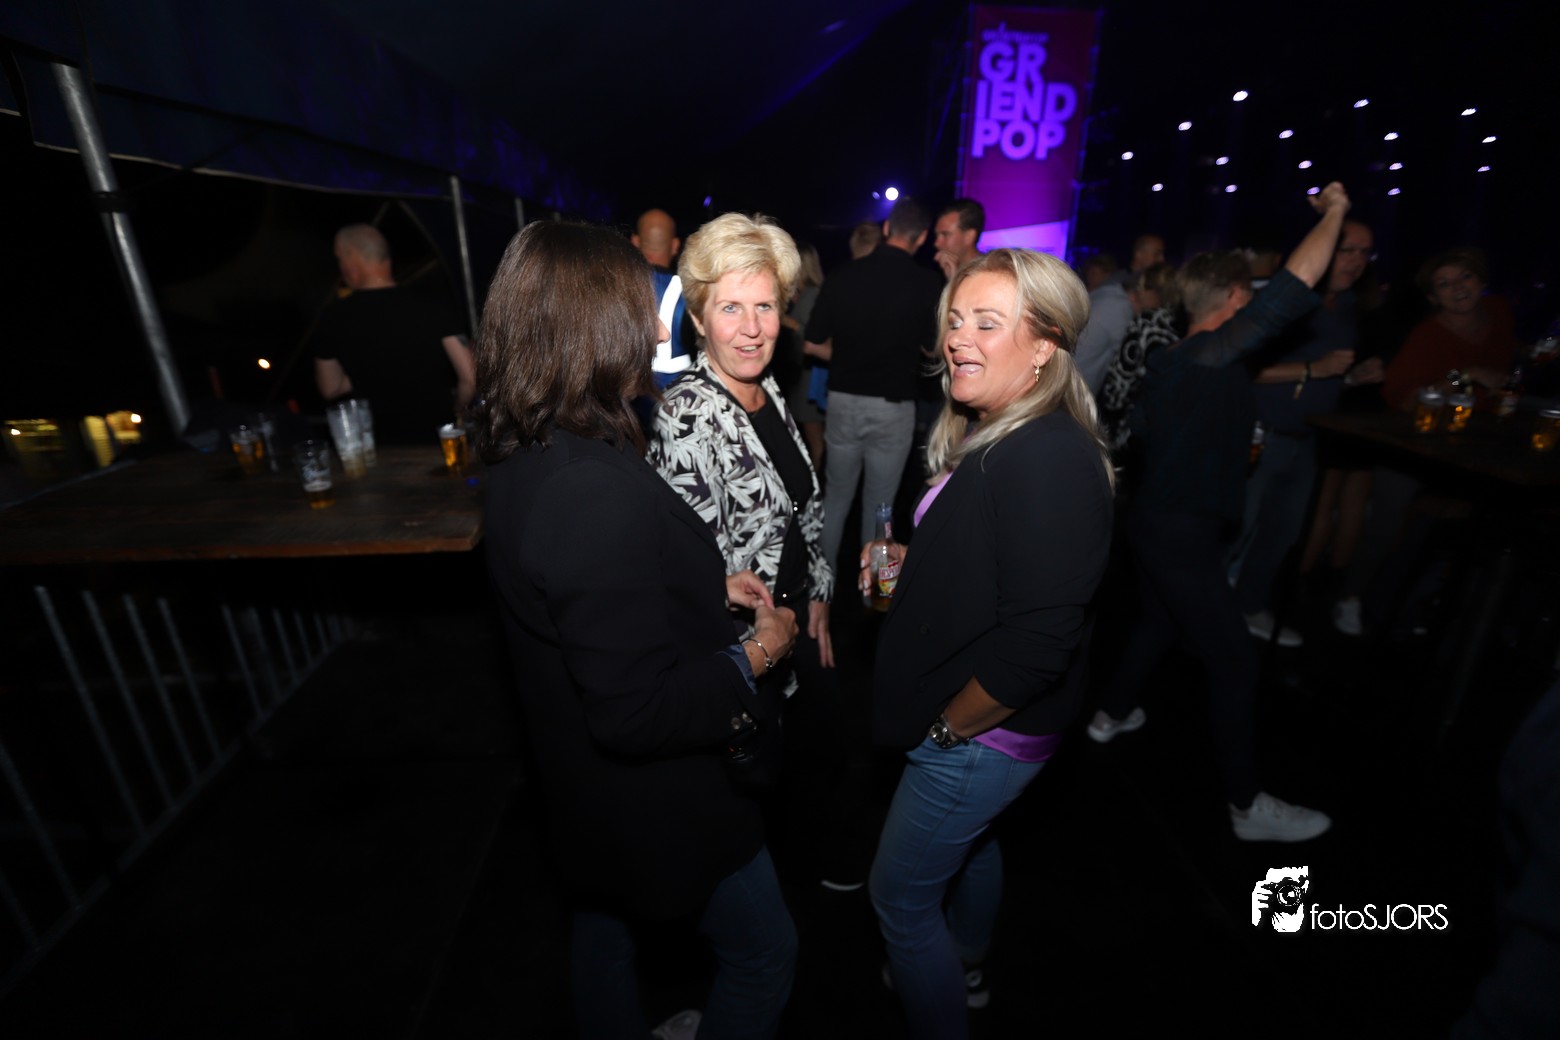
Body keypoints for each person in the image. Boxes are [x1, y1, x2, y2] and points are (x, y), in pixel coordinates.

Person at [478, 220, 799, 1040]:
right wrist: (758, 653)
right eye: (639, 307)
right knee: (765, 954)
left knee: (603, 932)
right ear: (591, 325)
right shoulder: (587, 487)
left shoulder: (530, 443)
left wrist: (698, 581)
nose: (658, 328)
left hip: (579, 786)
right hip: (651, 798)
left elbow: (579, 593)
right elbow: (636, 711)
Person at [864, 248, 1114, 1039]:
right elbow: (995, 563)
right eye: (956, 320)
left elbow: (1039, 644)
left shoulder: (1048, 455)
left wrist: (948, 730)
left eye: (986, 323)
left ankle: (940, 979)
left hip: (982, 733)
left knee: (900, 902)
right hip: (981, 729)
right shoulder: (996, 426)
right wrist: (913, 561)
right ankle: (965, 960)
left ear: (1043, 345)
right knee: (971, 848)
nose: (958, 338)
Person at [1088, 184, 1355, 844]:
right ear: (1236, 296)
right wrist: (1336, 212)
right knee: (1235, 663)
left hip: (1155, 522)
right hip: (1180, 531)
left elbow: (1148, 434)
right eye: (1250, 296)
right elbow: (1298, 282)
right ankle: (1245, 806)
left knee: (1157, 622)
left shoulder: (1172, 360)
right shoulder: (1210, 355)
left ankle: (1109, 716)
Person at [649, 213, 863, 887]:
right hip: (750, 641)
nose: (751, 328)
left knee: (823, 752)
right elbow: (691, 575)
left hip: (799, 614)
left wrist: (820, 591)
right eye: (730, 308)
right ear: (698, 318)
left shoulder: (765, 388)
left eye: (765, 306)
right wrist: (768, 636)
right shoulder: (686, 415)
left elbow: (803, 510)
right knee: (757, 790)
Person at [1229, 219, 1382, 647]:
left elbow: (1326, 371)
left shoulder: (1347, 305)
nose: (1356, 261)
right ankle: (1199, 620)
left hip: (1310, 440)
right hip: (1260, 435)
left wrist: (1350, 378)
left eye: (1364, 252)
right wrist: (1315, 369)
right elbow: (1240, 367)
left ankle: (1248, 608)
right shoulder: (1288, 301)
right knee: (1235, 531)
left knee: (1282, 534)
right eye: (1347, 250)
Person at [804, 197, 943, 568]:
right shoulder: (927, 283)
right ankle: (871, 592)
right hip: (893, 406)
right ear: (922, 237)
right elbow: (933, 350)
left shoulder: (843, 275)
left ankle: (823, 586)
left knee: (835, 499)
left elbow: (812, 340)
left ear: (886, 228)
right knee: (880, 507)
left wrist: (849, 354)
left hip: (843, 401)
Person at [312, 224, 474, 443]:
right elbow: (470, 377)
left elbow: (330, 388)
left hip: (378, 446)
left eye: (340, 259)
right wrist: (457, 412)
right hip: (438, 441)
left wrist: (368, 369)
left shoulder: (333, 316)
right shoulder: (433, 304)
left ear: (351, 259)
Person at [1095, 262, 1180, 455]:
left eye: (1140, 288)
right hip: (1160, 426)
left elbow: (1119, 383)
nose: (1136, 294)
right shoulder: (1178, 325)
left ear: (1152, 292)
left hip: (1130, 428)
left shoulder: (1146, 323)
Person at [778, 241, 827, 469]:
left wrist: (788, 321)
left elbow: (816, 337)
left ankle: (818, 480)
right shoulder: (804, 293)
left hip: (811, 373)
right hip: (801, 370)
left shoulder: (814, 294)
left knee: (813, 433)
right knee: (808, 432)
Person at [932, 198, 985, 280]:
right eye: (936, 235)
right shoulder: (937, 274)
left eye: (945, 234)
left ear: (969, 237)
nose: (936, 243)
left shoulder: (990, 273)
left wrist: (954, 281)